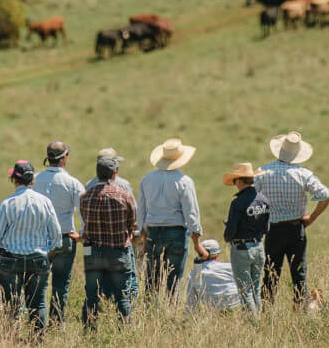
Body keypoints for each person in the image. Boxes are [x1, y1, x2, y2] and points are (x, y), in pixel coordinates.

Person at [0, 160, 63, 338]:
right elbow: (57, 237)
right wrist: (45, 252)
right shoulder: (45, 202)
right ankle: (37, 341)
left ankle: (12, 340)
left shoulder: (7, 203)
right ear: (33, 180)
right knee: (38, 305)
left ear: (14, 179)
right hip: (38, 257)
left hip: (10, 258)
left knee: (11, 305)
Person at [253, 132, 329, 303]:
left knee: (270, 273)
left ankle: (266, 311)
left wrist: (260, 218)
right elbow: (327, 196)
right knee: (299, 274)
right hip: (296, 228)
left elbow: (249, 195)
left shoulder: (263, 171)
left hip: (273, 229)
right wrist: (311, 217)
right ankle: (300, 310)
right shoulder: (303, 174)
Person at [137, 138, 207, 298]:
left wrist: (141, 233)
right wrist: (197, 242)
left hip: (152, 231)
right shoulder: (185, 182)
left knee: (151, 278)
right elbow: (191, 214)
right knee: (174, 280)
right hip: (177, 232)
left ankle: (150, 310)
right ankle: (171, 311)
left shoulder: (146, 179)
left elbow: (141, 209)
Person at [79, 152, 139, 329]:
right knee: (122, 294)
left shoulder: (86, 196)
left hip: (93, 250)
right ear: (115, 173)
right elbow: (132, 222)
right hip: (118, 249)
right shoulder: (124, 195)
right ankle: (125, 330)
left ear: (97, 174)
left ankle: (89, 329)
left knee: (91, 294)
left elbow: (84, 220)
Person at [31, 141, 86, 325]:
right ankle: (57, 324)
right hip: (64, 237)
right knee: (60, 286)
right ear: (63, 159)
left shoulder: (35, 179)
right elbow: (84, 211)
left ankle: (37, 323)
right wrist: (81, 234)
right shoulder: (73, 183)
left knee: (38, 285)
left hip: (38, 239)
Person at [221, 163, 270, 315]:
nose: (235, 184)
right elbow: (266, 228)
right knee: (255, 288)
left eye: (235, 181)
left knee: (245, 290)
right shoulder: (264, 200)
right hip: (259, 247)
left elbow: (230, 232)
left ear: (240, 181)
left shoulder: (237, 203)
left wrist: (227, 236)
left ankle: (252, 324)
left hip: (242, 249)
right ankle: (258, 320)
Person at [184, 240, 244, 313]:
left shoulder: (193, 274)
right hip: (235, 307)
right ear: (217, 254)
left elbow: (191, 303)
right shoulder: (231, 267)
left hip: (213, 310)